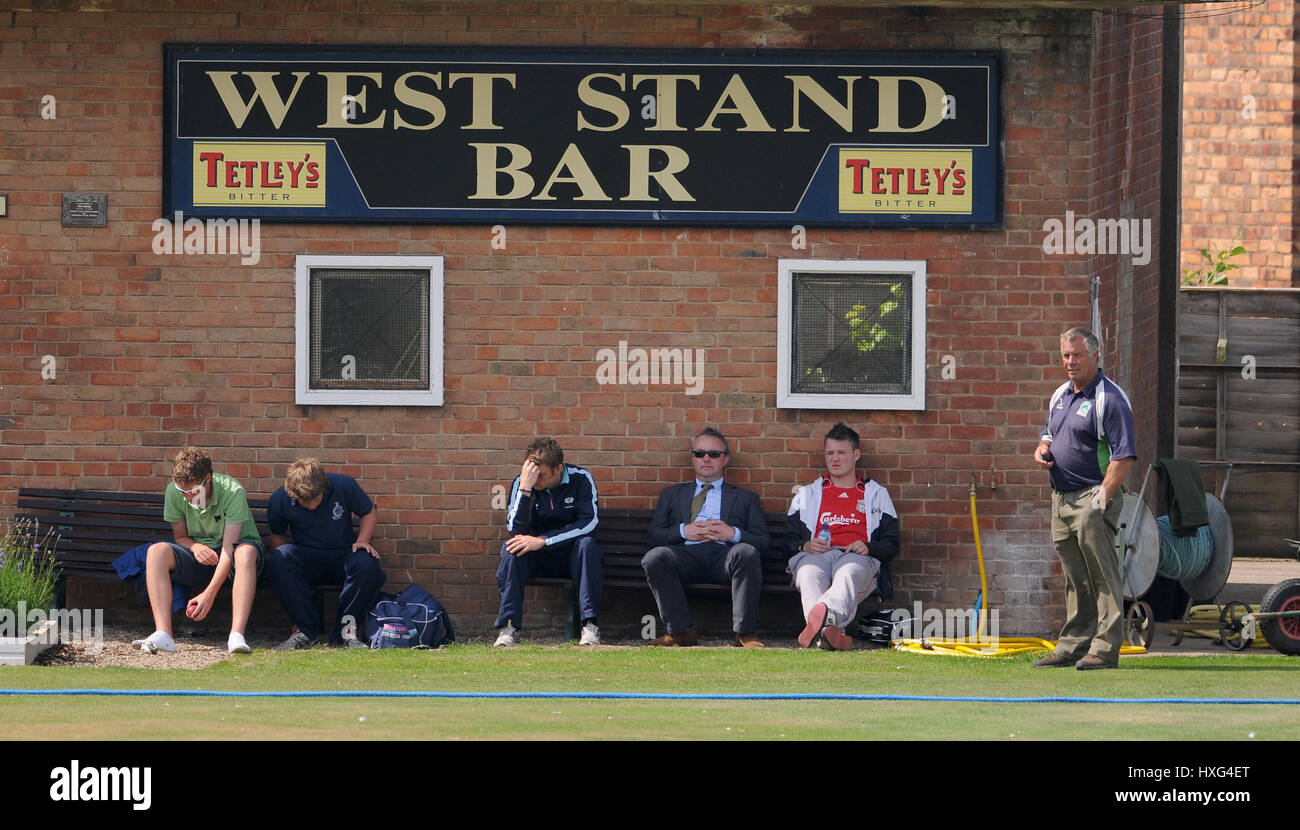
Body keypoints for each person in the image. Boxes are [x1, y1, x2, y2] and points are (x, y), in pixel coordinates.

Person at [1032, 327, 1137, 670]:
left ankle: (1105, 649)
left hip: (1093, 497)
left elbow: (1123, 456)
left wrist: (1103, 495)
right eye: (1065, 355)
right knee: (1075, 577)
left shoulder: (1110, 398)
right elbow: (1048, 434)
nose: (1070, 362)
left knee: (1103, 575)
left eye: (1077, 355)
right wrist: (1043, 449)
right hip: (1060, 499)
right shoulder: (1060, 395)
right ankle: (1073, 645)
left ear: (1095, 355)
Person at [642, 428, 770, 647]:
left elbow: (763, 544)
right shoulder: (671, 495)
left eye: (714, 453)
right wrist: (684, 531)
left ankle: (745, 634)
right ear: (692, 459)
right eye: (700, 454)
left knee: (746, 552)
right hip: (685, 556)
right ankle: (680, 631)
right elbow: (654, 536)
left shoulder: (746, 498)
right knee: (655, 557)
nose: (706, 459)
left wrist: (733, 534)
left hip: (725, 556)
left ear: (725, 458)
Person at [132, 448, 263, 655]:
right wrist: (196, 546)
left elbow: (229, 549)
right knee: (156, 551)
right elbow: (180, 537)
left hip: (235, 557)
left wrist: (208, 594)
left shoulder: (233, 492)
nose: (187, 497)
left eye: (192, 491)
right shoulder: (175, 492)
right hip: (200, 556)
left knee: (245, 552)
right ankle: (163, 634)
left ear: (208, 479)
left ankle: (236, 635)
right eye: (182, 492)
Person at [786, 423, 900, 650]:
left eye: (841, 453)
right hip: (816, 555)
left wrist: (868, 547)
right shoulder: (807, 493)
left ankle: (820, 624)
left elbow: (892, 544)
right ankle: (828, 632)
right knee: (808, 573)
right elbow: (786, 542)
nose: (835, 459)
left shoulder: (876, 494)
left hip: (855, 556)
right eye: (830, 453)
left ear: (856, 455)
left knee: (847, 573)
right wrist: (804, 546)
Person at [265, 457, 385, 650]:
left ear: (324, 487)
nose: (312, 505)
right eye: (305, 502)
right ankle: (305, 632)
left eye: (316, 499)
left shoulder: (344, 485)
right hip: (307, 557)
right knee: (280, 557)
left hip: (344, 555)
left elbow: (368, 512)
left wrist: (362, 541)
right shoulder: (280, 499)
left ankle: (346, 634)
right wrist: (286, 570)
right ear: (292, 493)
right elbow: (278, 536)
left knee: (367, 563)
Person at [493, 438, 602, 647]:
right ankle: (508, 628)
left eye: (540, 475)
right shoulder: (523, 482)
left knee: (588, 546)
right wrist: (525, 490)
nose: (536, 479)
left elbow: (589, 524)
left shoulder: (581, 479)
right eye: (531, 473)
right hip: (537, 559)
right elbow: (515, 530)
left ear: (558, 468)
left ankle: (590, 626)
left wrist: (544, 540)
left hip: (572, 556)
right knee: (512, 549)